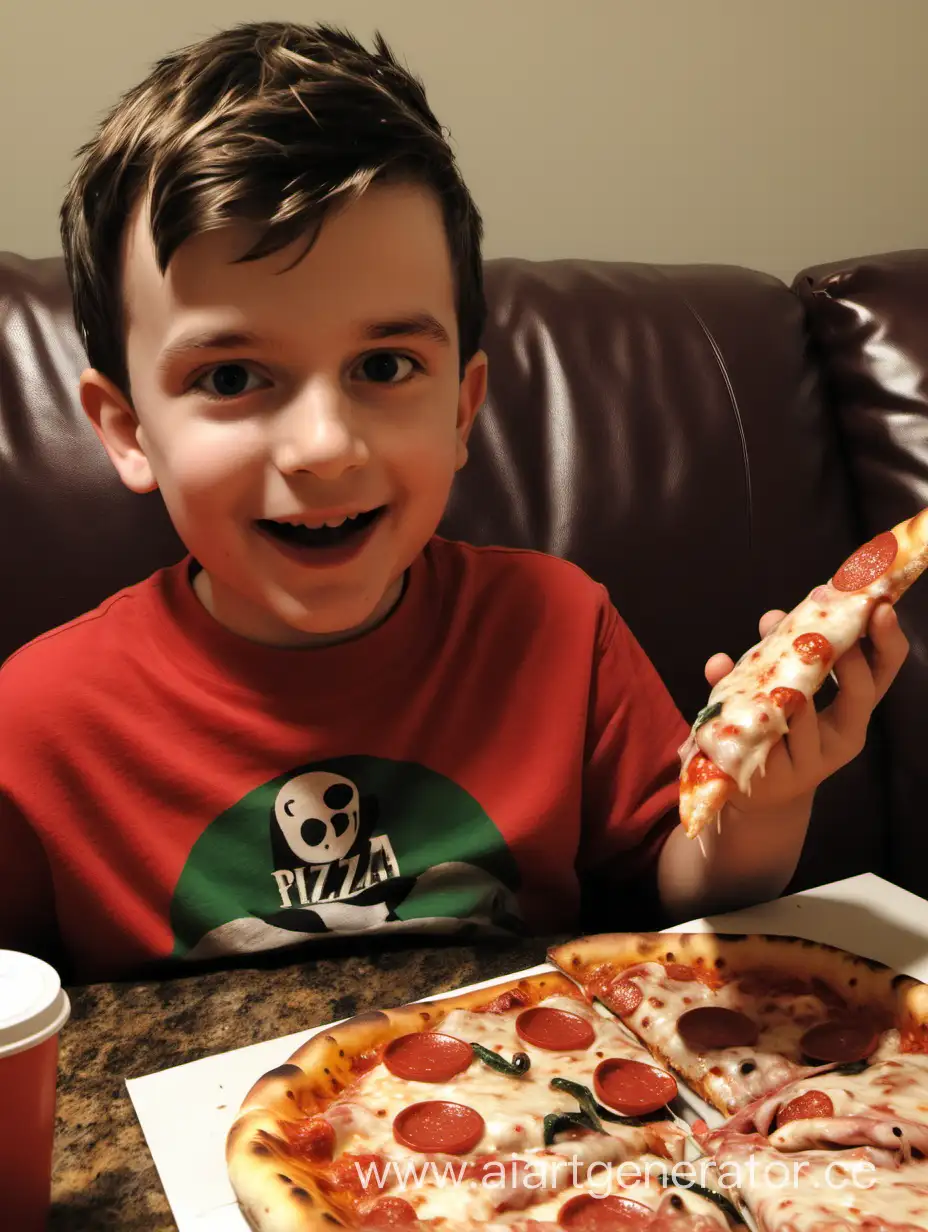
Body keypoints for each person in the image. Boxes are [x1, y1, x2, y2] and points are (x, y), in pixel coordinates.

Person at [0, 22, 909, 984]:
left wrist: (763, 794)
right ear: (129, 431)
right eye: (232, 378)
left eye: (384, 366)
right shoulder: (37, 723)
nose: (324, 448)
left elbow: (682, 890)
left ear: (465, 406)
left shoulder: (560, 630)